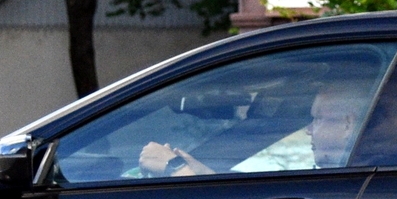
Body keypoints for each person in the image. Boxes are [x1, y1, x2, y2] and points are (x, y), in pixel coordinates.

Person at [138, 82, 373, 177]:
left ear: (348, 124)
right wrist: (197, 170)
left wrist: (175, 168)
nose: (308, 130)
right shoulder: (354, 175)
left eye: (318, 119)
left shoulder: (349, 182)